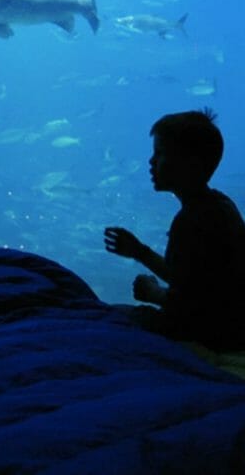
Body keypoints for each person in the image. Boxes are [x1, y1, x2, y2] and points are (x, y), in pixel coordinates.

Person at [104, 108, 245, 351]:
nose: (151, 161)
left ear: (190, 164)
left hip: (211, 336)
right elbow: (190, 280)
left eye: (160, 153)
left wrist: (153, 292)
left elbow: (188, 305)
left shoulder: (192, 221)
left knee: (106, 320)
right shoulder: (219, 206)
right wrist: (140, 251)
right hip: (230, 330)